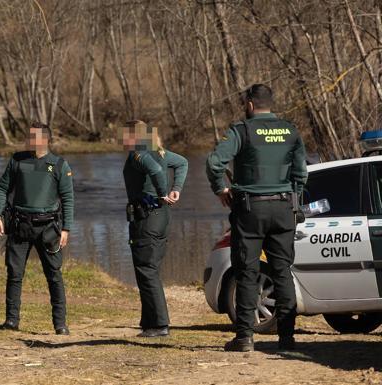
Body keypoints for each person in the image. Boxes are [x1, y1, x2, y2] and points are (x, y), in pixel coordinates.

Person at [206, 84, 308, 352]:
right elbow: (301, 173)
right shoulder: (290, 130)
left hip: (250, 210)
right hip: (284, 209)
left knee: (248, 272)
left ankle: (245, 338)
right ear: (270, 104)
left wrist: (221, 189)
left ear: (250, 105)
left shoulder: (241, 130)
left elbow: (214, 162)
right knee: (282, 271)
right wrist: (294, 199)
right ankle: (286, 339)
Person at [0, 121, 74, 335]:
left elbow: (68, 198)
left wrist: (66, 228)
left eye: (34, 137)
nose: (30, 140)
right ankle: (11, 321)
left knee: (54, 274)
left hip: (49, 228)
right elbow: (3, 188)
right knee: (14, 273)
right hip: (20, 225)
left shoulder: (58, 164)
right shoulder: (17, 161)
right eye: (28, 136)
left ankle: (60, 324)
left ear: (46, 139)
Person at [122, 120, 188, 338]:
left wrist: (163, 192)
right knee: (150, 269)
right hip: (161, 218)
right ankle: (149, 322)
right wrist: (176, 189)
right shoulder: (159, 152)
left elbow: (157, 170)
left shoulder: (138, 154)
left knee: (146, 269)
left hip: (147, 218)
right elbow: (182, 163)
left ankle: (159, 324)